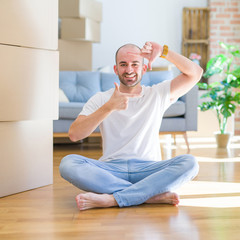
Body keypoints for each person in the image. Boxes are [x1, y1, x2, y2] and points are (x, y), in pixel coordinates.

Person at [59, 41, 203, 211]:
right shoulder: (101, 99)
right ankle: (148, 196)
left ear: (143, 68)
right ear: (116, 69)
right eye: (123, 64)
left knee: (190, 163)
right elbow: (75, 134)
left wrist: (165, 52)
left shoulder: (157, 94)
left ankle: (113, 199)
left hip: (149, 169)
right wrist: (109, 107)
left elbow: (195, 73)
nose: (129, 70)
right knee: (68, 164)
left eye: (135, 64)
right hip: (111, 169)